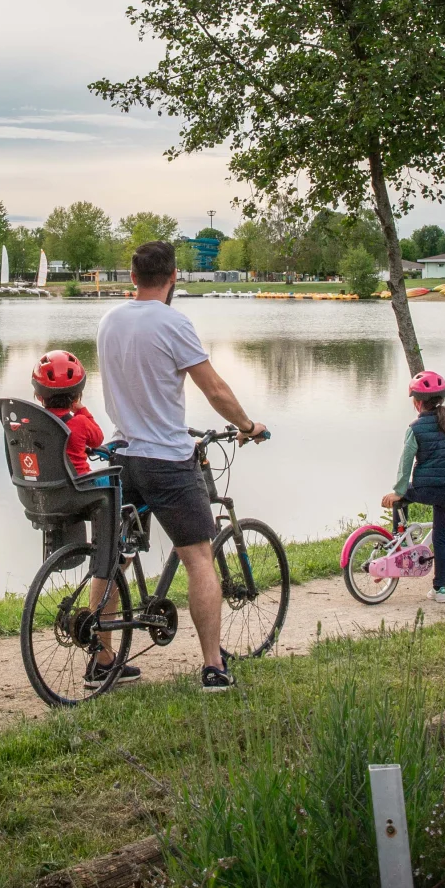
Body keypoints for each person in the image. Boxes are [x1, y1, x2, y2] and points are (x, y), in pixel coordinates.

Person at [95, 241, 268, 692]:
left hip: (120, 457)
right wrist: (247, 424)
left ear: (132, 277)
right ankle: (213, 666)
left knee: (112, 557)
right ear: (173, 277)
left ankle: (103, 659)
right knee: (199, 559)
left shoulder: (109, 320)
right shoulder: (174, 322)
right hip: (166, 460)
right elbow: (214, 389)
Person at [380, 371, 445, 601]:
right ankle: (440, 590)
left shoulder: (415, 429)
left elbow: (405, 462)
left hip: (425, 489)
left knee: (403, 497)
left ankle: (397, 542)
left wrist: (398, 492)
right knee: (440, 537)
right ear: (440, 400)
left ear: (417, 403)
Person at [33, 350, 105, 479]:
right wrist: (81, 410)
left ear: (39, 396)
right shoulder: (81, 422)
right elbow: (97, 440)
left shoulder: (31, 424)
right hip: (81, 489)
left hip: (44, 489)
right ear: (77, 397)